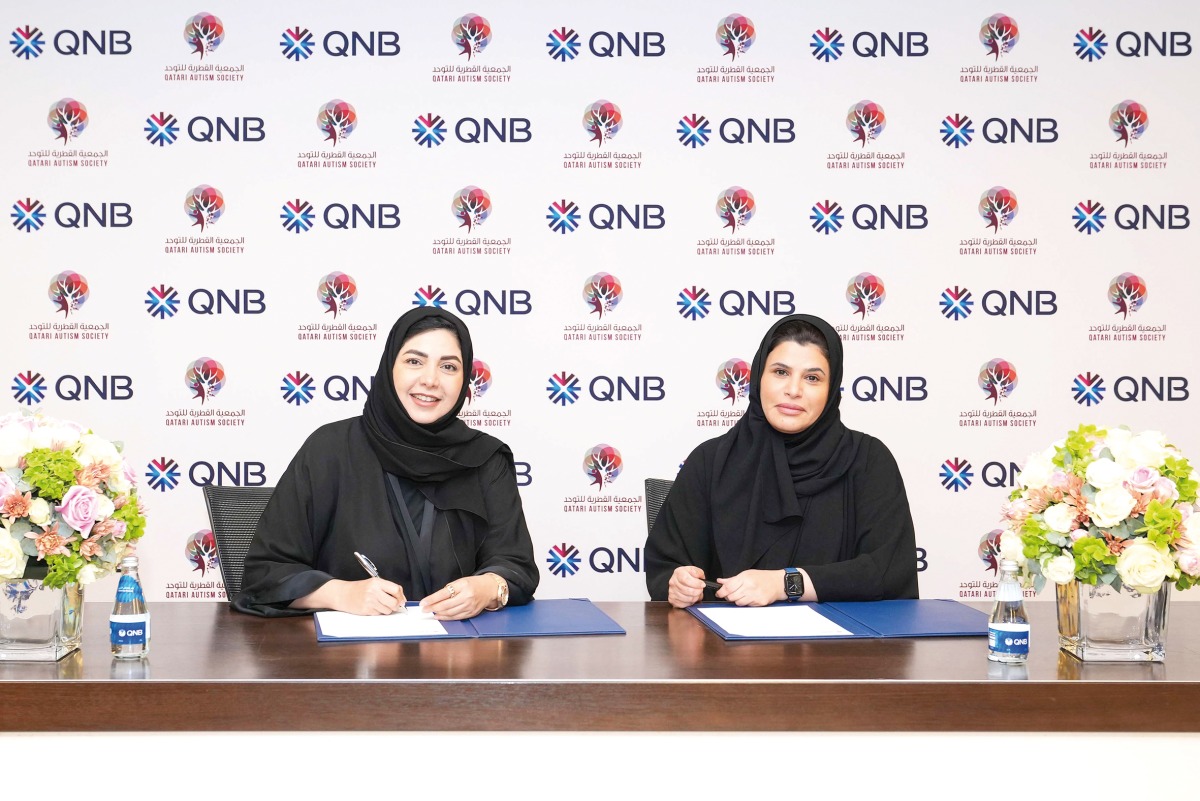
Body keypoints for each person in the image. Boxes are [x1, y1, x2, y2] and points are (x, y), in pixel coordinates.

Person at [235, 307, 539, 618]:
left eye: (448, 367)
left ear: (464, 382)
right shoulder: (329, 449)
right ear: (389, 368)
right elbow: (264, 575)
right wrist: (342, 594)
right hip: (350, 658)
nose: (431, 380)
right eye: (414, 361)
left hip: (457, 656)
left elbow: (516, 565)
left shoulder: (486, 458)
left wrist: (486, 588)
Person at [646, 314, 918, 608]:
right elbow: (667, 566)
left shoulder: (867, 460)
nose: (794, 390)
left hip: (840, 647)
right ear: (759, 377)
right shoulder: (711, 461)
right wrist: (679, 583)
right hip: (724, 647)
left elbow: (888, 571)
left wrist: (784, 583)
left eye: (812, 378)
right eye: (780, 372)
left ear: (831, 390)